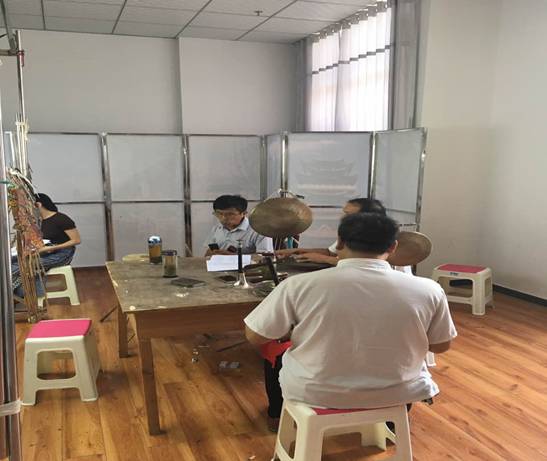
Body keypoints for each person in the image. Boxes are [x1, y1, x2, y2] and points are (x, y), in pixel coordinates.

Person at [244, 213, 457, 430]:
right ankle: (390, 426)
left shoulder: (297, 285)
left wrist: (294, 331)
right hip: (400, 391)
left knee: (277, 353)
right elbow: (440, 346)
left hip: (317, 391)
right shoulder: (429, 289)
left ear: (339, 243)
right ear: (393, 247)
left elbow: (255, 336)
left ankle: (277, 416)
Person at [276, 198, 387, 266]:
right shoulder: (348, 233)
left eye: (348, 214)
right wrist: (296, 251)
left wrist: (324, 259)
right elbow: (330, 252)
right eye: (344, 213)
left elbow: (363, 265)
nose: (342, 218)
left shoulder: (383, 238)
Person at [12, 193, 81, 297]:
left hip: (63, 254)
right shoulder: (41, 221)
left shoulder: (61, 218)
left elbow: (76, 240)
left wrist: (50, 248)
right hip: (48, 251)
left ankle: (13, 293)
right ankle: (22, 292)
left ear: (38, 205)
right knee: (12, 260)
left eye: (29, 205)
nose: (28, 209)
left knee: (19, 266)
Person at [204, 195, 273, 255]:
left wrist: (233, 257)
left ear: (244, 213)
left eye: (230, 214)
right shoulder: (217, 228)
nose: (223, 218)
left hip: (247, 266)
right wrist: (210, 253)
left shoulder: (259, 230)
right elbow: (207, 251)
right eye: (219, 213)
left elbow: (265, 257)